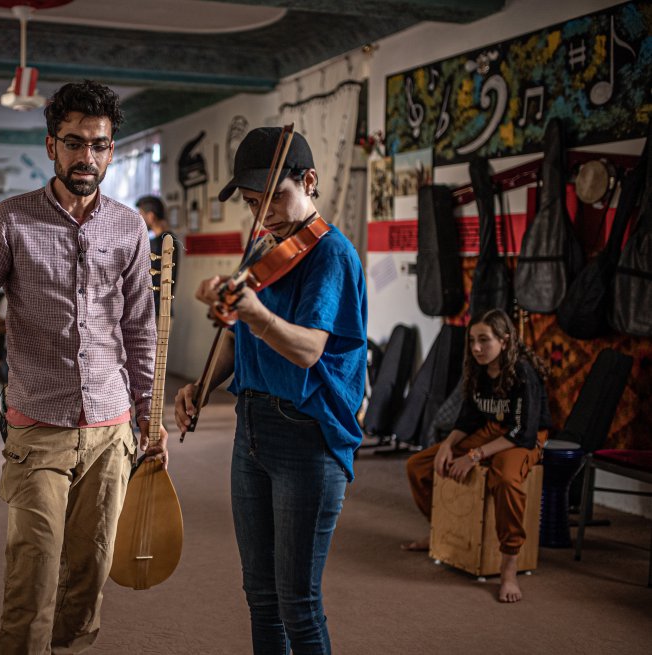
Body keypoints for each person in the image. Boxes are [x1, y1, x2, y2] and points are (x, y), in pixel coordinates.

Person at [0, 80, 164, 655]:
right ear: (51, 146)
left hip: (111, 431)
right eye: (76, 143)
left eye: (101, 145)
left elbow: (139, 328)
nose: (88, 156)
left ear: (112, 150)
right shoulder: (10, 220)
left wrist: (149, 418)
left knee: (89, 578)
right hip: (39, 426)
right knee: (32, 576)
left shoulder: (130, 226)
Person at [174, 127, 367, 655]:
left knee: (297, 604)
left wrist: (254, 313)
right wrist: (203, 384)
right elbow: (240, 343)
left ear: (308, 181)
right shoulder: (263, 250)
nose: (264, 216)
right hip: (252, 428)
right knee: (260, 596)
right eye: (254, 203)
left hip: (307, 437)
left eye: (274, 199)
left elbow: (306, 350)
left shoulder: (331, 255)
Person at [403, 308, 550, 603]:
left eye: (484, 340)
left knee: (505, 479)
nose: (476, 348)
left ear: (505, 341)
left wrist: (473, 456)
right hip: (490, 429)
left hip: (524, 437)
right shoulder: (477, 369)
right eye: (472, 341)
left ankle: (509, 565)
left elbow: (522, 431)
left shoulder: (523, 373)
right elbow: (468, 418)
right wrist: (447, 444)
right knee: (418, 465)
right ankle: (439, 532)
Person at [135, 194, 179, 316]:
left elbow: (160, 279)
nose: (140, 220)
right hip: (151, 310)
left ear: (151, 216)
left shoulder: (167, 241)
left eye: (141, 215)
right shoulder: (155, 241)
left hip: (158, 312)